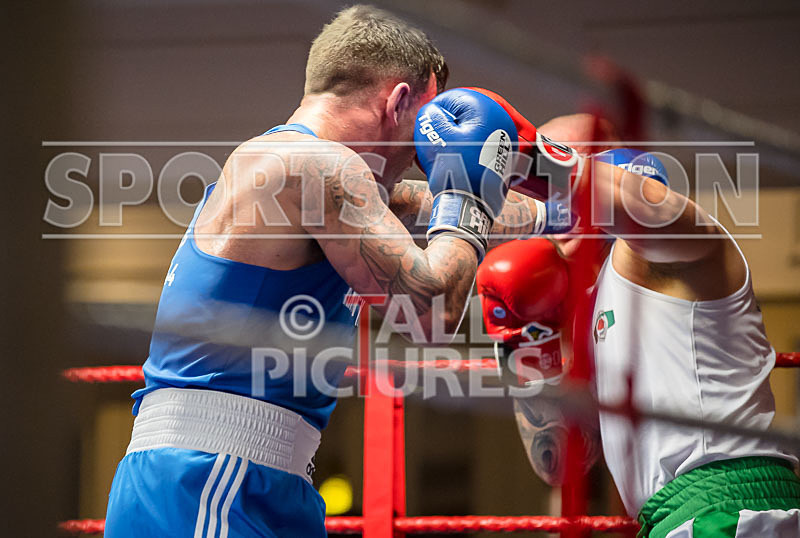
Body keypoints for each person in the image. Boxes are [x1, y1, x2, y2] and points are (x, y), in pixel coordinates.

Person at [104, 6, 558, 537]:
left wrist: (569, 214)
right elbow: (431, 312)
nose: (422, 154)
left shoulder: (301, 169)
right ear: (399, 101)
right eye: (427, 128)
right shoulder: (317, 167)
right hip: (210, 478)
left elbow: (440, 207)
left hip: (245, 476)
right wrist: (468, 190)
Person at [476, 111, 800, 536]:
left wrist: (524, 156)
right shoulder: (586, 303)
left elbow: (649, 206)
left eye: (556, 163)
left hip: (728, 505)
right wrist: (525, 339)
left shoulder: (675, 248)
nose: (538, 201)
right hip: (671, 516)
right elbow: (556, 463)